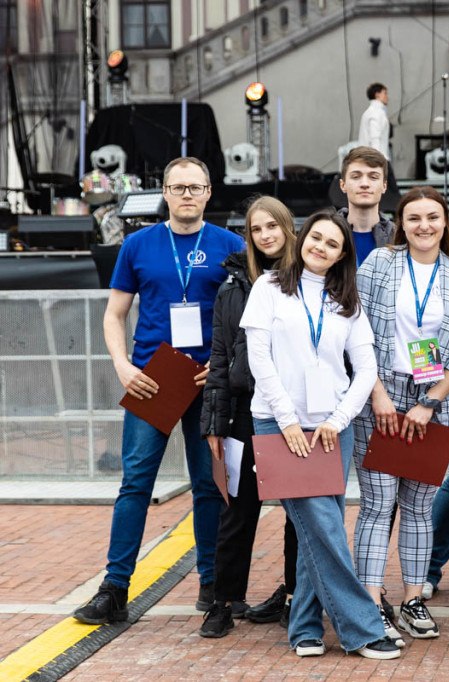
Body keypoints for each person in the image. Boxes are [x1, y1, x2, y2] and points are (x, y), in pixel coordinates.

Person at [73, 157, 245, 625]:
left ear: (209, 192)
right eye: (178, 187)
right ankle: (114, 590)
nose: (187, 194)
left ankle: (212, 585)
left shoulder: (232, 246)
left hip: (206, 381)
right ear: (164, 193)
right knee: (135, 485)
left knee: (210, 486)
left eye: (196, 187)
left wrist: (219, 364)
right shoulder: (138, 244)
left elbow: (250, 317)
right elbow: (114, 315)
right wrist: (123, 366)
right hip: (153, 379)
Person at [239, 209, 399, 660]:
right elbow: (260, 359)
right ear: (301, 238)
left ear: (342, 254)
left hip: (332, 425)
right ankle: (363, 629)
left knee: (315, 527)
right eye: (316, 238)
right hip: (278, 422)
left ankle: (305, 627)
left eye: (332, 243)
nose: (320, 247)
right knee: (324, 526)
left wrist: (340, 418)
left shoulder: (346, 298)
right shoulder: (268, 288)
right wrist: (288, 421)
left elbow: (365, 368)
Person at [353, 186, 449, 645]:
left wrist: (429, 403)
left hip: (436, 403)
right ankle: (370, 603)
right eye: (414, 218)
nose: (424, 226)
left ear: (445, 222)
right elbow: (357, 332)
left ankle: (412, 599)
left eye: (432, 217)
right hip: (382, 399)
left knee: (419, 507)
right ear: (400, 224)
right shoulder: (379, 264)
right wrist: (378, 395)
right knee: (377, 505)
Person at [198, 196, 299, 638]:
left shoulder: (310, 280)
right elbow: (219, 358)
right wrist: (214, 424)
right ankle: (222, 601)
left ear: (287, 228)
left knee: (300, 512)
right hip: (244, 411)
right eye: (257, 229)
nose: (266, 235)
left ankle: (296, 597)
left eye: (272, 226)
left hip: (296, 414)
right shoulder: (233, 286)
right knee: (238, 510)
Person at [338, 146, 396, 265]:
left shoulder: (399, 237)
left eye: (373, 177)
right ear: (342, 185)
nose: (364, 184)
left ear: (384, 186)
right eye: (356, 177)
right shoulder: (327, 234)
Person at [358, 83, 390, 159]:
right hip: (377, 159)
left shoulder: (368, 112)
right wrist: (377, 160)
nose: (387, 97)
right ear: (377, 95)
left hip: (369, 158)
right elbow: (375, 138)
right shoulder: (377, 112)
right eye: (385, 93)